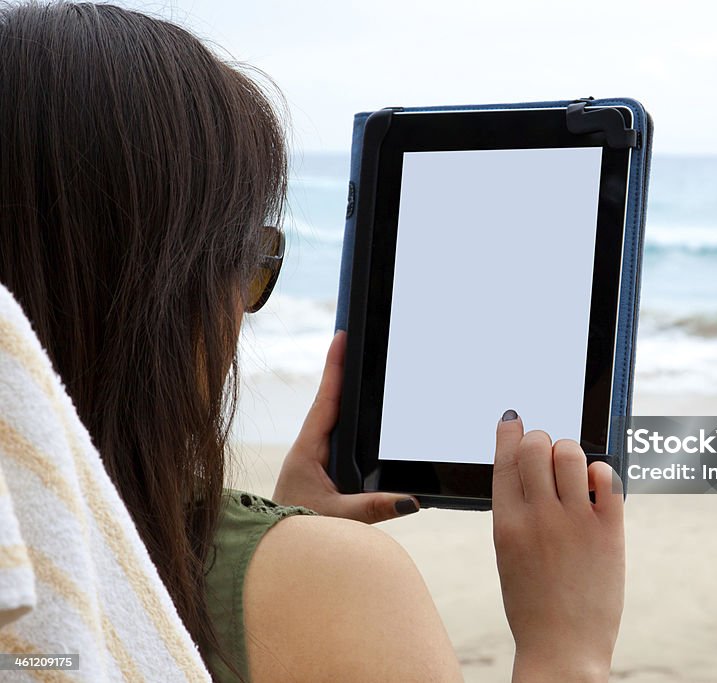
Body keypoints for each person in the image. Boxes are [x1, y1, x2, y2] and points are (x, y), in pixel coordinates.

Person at [0, 3, 623, 681]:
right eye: (249, 257)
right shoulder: (334, 589)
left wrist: (272, 528)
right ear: (163, 289)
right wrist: (565, 648)